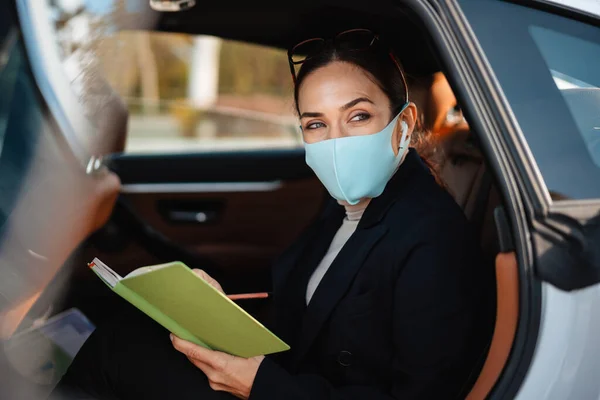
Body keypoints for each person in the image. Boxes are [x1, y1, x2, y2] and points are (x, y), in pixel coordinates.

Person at [52, 29, 496, 400]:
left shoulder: (434, 238)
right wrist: (214, 312)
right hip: (283, 380)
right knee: (127, 333)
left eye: (357, 116)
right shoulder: (344, 204)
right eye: (316, 124)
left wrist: (259, 386)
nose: (336, 142)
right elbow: (306, 312)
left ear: (402, 125)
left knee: (117, 352)